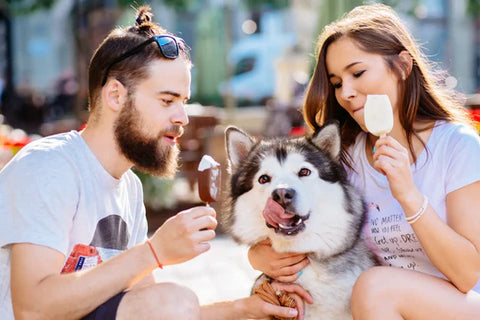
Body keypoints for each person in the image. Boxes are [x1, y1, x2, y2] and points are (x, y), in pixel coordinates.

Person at [0, 6, 310, 320]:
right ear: (116, 96)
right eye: (167, 100)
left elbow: (150, 310)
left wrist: (241, 309)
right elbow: (32, 308)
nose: (183, 118)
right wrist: (153, 252)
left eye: (183, 101)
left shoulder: (128, 188)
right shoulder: (48, 167)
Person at [248, 3, 480, 319]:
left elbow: (467, 276)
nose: (347, 93)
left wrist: (408, 196)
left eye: (357, 73)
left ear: (402, 66)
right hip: (377, 307)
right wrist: (258, 258)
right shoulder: (344, 158)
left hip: (461, 304)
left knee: (376, 285)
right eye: (337, 83)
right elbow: (300, 230)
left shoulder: (458, 146)